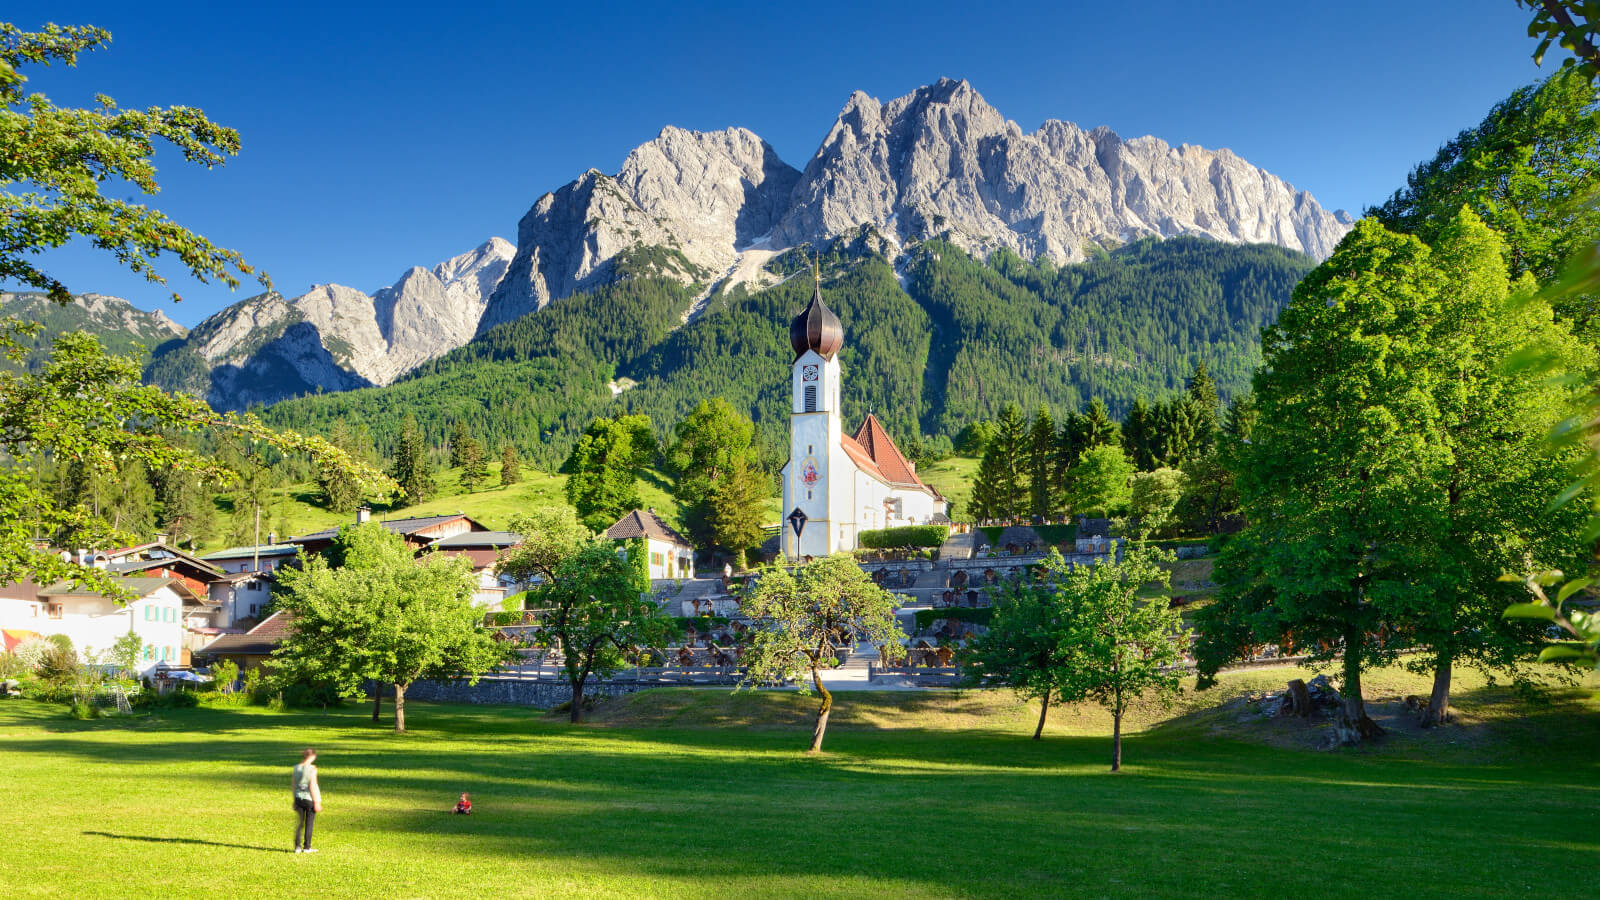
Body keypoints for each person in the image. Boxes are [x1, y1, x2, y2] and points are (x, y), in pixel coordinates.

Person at [291, 748, 322, 853]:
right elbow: (313, 785)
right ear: (312, 757)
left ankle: (297, 847)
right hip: (309, 799)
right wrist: (317, 801)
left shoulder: (296, 768)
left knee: (300, 823)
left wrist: (294, 799)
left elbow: (294, 785)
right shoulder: (312, 769)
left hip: (298, 798)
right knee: (309, 823)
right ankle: (307, 847)